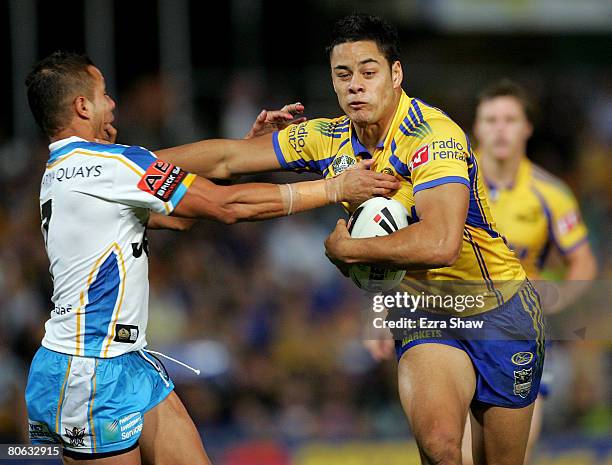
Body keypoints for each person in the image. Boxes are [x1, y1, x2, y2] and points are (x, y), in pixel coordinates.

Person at [157, 13, 545, 465]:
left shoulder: (432, 135)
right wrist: (128, 162)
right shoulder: (328, 138)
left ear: (395, 74)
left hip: (500, 311)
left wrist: (348, 251)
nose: (355, 85)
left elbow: (442, 244)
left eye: (368, 71)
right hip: (425, 314)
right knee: (440, 446)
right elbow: (226, 159)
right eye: (343, 74)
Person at [24, 51, 399, 465]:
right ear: (82, 106)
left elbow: (184, 213)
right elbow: (226, 207)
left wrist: (246, 153)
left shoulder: (70, 170)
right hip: (87, 368)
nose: (113, 103)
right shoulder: (105, 166)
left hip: (127, 361)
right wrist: (334, 189)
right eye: (104, 94)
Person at [459, 79, 598, 465]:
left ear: (527, 128)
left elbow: (583, 261)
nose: (500, 128)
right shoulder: (450, 182)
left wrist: (555, 299)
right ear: (476, 128)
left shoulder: (549, 193)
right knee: (460, 455)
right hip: (457, 323)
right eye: (491, 119)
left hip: (520, 330)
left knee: (514, 454)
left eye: (509, 119)